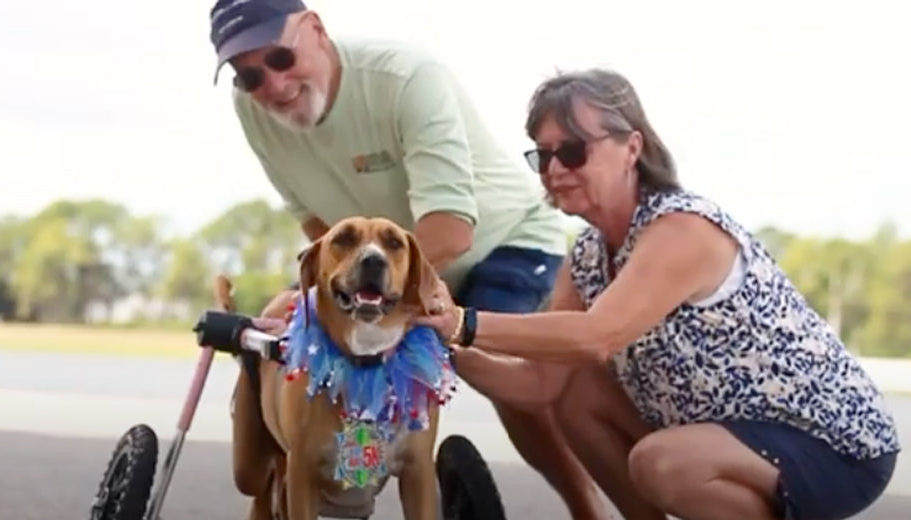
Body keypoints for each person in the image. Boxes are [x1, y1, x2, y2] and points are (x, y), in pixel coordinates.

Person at [416, 67, 902, 520]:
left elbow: (596, 336)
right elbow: (540, 385)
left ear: (632, 147)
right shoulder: (587, 256)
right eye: (543, 155)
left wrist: (462, 321)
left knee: (660, 463)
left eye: (573, 150)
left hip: (829, 445)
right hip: (723, 438)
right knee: (572, 391)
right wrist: (434, 344)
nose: (554, 168)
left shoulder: (681, 227)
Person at [205, 0, 613, 517]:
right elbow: (319, 226)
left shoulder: (406, 78)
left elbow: (452, 228)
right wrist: (321, 297)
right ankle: (343, 478)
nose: (272, 84)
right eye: (249, 75)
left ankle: (586, 506)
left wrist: (391, 310)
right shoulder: (254, 110)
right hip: (381, 273)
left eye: (281, 59)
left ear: (316, 30)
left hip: (500, 241)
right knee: (318, 347)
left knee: (498, 373)